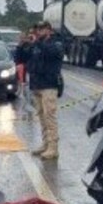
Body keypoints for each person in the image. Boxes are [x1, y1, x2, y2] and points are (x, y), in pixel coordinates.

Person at [27, 21, 63, 159]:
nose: (39, 32)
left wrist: (39, 43)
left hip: (49, 84)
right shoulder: (36, 45)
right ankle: (45, 143)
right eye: (38, 29)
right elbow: (26, 60)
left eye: (42, 29)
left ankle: (53, 148)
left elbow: (51, 54)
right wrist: (24, 46)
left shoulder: (56, 43)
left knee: (50, 117)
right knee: (41, 116)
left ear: (49, 30)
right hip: (37, 84)